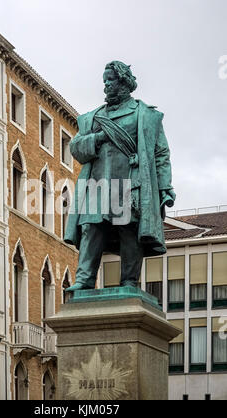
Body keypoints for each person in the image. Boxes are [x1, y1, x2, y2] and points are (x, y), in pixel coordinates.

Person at [64, 61, 175, 292]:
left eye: (110, 80)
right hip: (97, 182)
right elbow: (76, 149)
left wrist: (164, 187)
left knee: (129, 230)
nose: (106, 85)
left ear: (124, 82)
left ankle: (129, 281)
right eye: (104, 81)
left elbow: (160, 153)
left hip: (130, 182)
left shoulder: (144, 115)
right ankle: (84, 279)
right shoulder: (93, 117)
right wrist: (99, 138)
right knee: (91, 229)